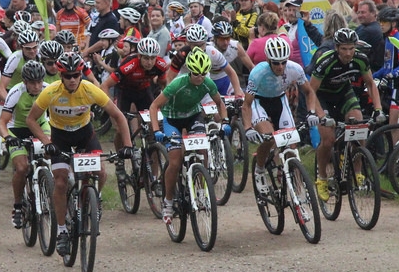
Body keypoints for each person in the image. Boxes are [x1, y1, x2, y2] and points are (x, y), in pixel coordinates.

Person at [26, 52, 132, 256]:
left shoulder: (91, 90)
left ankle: (95, 198)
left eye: (76, 75)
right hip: (59, 138)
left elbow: (118, 115)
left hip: (85, 135)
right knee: (60, 182)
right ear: (60, 76)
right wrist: (47, 142)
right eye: (68, 76)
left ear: (81, 74)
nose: (72, 79)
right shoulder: (50, 93)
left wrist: (127, 145)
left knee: (101, 172)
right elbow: (31, 120)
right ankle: (63, 232)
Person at [148, 48, 227, 229]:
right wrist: (156, 130)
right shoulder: (177, 84)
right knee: (175, 161)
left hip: (193, 116)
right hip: (172, 119)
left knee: (202, 149)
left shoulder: (208, 83)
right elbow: (154, 106)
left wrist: (225, 122)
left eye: (203, 73)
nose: (200, 77)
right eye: (196, 74)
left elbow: (219, 103)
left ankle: (201, 187)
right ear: (189, 71)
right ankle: (168, 202)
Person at [309, 28, 383, 201]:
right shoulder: (325, 61)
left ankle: (357, 171)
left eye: (351, 48)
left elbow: (371, 84)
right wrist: (322, 116)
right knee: (328, 140)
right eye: (344, 49)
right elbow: (311, 91)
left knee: (359, 127)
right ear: (336, 48)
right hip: (322, 97)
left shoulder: (361, 59)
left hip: (343, 93)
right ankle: (322, 178)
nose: (348, 53)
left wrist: (378, 109)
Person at [242, 37, 321, 191]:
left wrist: (311, 112)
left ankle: (296, 185)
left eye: (283, 62)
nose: (280, 66)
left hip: (279, 100)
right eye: (276, 63)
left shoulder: (295, 69)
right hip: (259, 102)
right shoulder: (257, 73)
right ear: (268, 60)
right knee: (269, 138)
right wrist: (247, 128)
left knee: (291, 145)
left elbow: (309, 91)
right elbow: (247, 105)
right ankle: (259, 169)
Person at [0, 60, 51, 228]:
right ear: (25, 82)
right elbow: (2, 122)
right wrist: (7, 137)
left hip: (40, 125)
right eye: (32, 83)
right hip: (17, 130)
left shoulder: (47, 89)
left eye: (39, 82)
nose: (37, 86)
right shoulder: (16, 92)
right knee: (22, 168)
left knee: (51, 154)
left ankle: (48, 186)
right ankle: (17, 206)